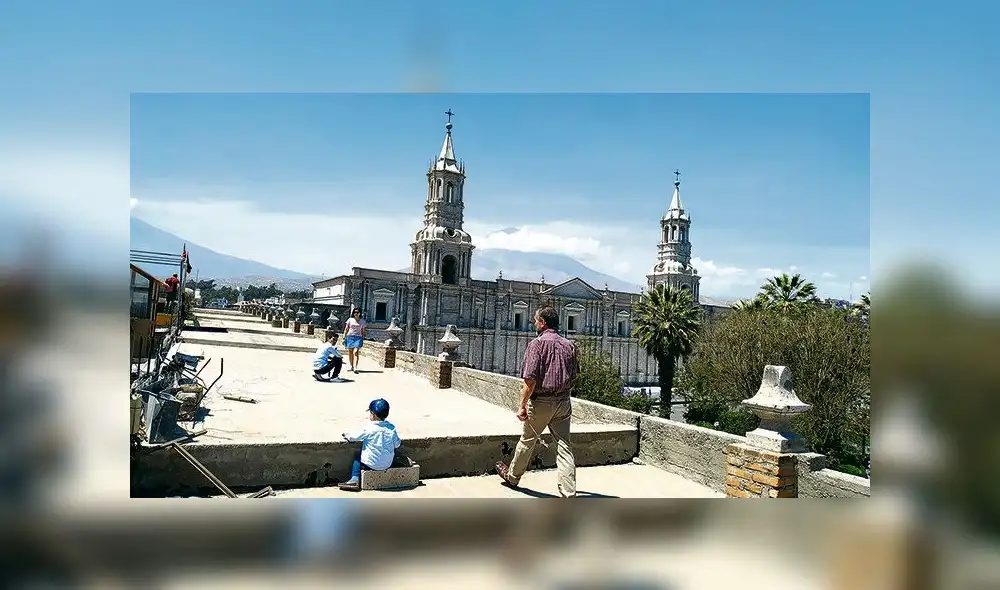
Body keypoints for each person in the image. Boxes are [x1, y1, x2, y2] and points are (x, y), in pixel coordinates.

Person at [495, 306, 579, 498]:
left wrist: (522, 406)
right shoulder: (570, 345)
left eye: (535, 320)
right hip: (563, 402)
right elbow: (574, 376)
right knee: (564, 446)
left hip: (541, 402)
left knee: (527, 441)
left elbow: (530, 381)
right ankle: (569, 494)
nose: (533, 323)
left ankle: (513, 476)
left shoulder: (537, 344)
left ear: (542, 323)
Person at [338, 398, 401, 492]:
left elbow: (354, 437)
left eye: (370, 413)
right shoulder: (391, 428)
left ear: (373, 415)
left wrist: (347, 435)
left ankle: (354, 479)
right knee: (391, 448)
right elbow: (397, 445)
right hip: (388, 464)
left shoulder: (370, 428)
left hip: (370, 465)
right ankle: (399, 460)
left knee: (357, 457)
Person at [342, 308, 367, 373]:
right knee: (350, 352)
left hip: (358, 337)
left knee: (355, 351)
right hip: (350, 336)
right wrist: (344, 337)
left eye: (357, 312)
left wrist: (363, 337)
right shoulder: (350, 320)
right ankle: (351, 366)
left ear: (360, 313)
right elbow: (346, 329)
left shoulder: (362, 321)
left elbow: (363, 331)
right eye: (354, 312)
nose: (356, 313)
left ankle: (355, 367)